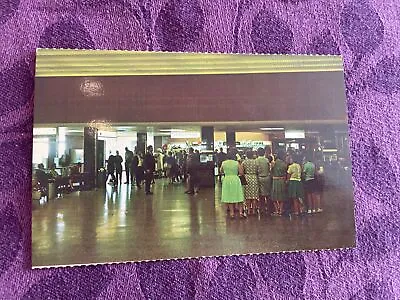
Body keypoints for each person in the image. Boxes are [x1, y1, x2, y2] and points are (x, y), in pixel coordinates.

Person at [220, 149, 245, 218]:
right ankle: (240, 213)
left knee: (229, 196)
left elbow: (221, 170)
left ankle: (232, 213)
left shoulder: (224, 163)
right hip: (235, 179)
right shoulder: (237, 163)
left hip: (227, 179)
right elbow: (241, 173)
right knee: (239, 195)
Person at [242, 150, 259, 216]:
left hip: (247, 178)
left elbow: (242, 171)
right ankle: (254, 210)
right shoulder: (256, 162)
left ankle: (248, 210)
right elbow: (258, 170)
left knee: (248, 196)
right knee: (254, 196)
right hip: (254, 178)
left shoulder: (244, 162)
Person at [271, 150, 287, 216]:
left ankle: (277, 210)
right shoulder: (284, 164)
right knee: (281, 196)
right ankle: (280, 210)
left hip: (275, 180)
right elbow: (285, 173)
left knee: (274, 196)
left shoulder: (274, 163)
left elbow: (271, 171)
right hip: (282, 181)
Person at [255, 147, 272, 215]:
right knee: (268, 194)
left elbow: (256, 169)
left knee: (261, 194)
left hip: (260, 178)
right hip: (267, 177)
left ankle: (261, 208)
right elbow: (269, 168)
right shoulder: (266, 160)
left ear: (257, 153)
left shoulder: (256, 160)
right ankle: (268, 208)